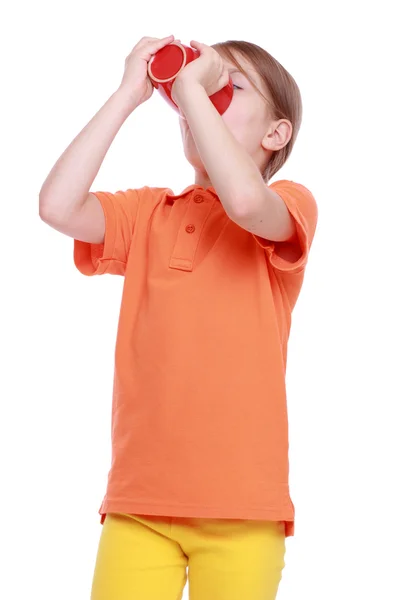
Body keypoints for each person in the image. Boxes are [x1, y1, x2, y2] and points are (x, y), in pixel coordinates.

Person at [39, 34, 318, 600]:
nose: (206, 96)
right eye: (200, 86)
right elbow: (57, 206)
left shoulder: (287, 204)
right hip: (138, 504)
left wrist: (191, 85)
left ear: (276, 133)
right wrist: (129, 93)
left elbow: (243, 202)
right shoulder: (148, 214)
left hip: (241, 509)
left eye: (231, 87)